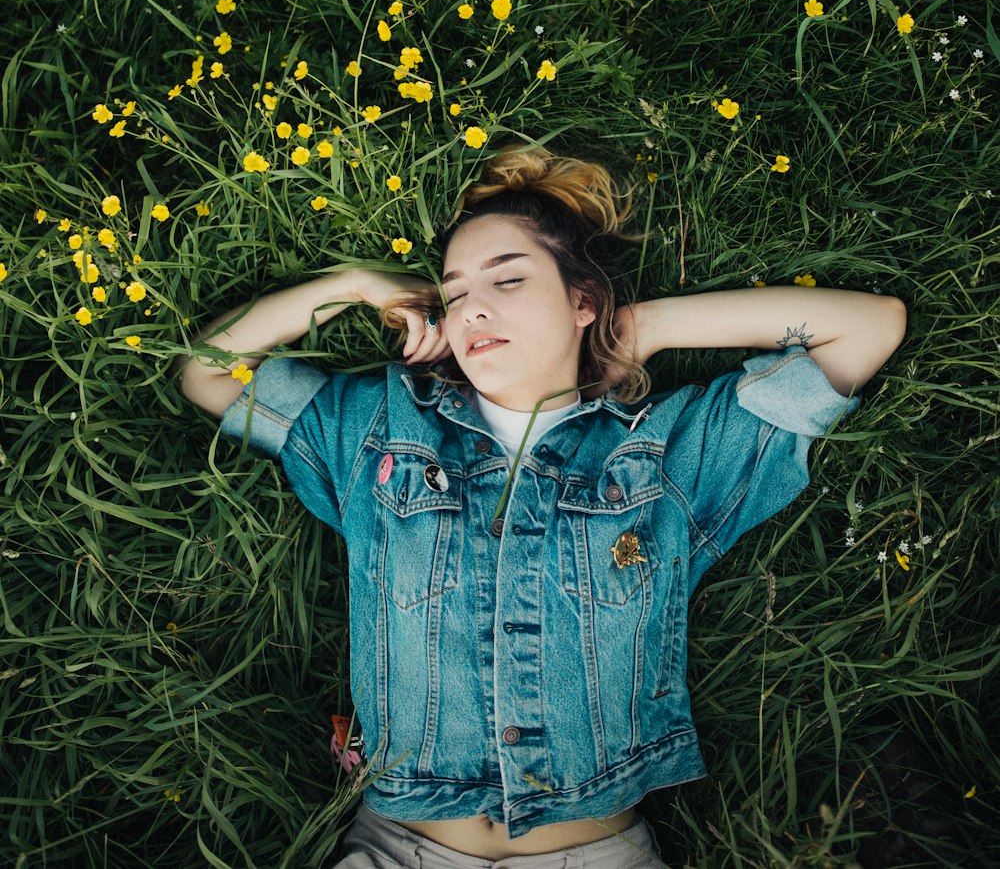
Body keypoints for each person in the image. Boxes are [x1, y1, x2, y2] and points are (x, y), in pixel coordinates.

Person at [177, 143, 907, 868]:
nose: (474, 308)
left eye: (509, 279)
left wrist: (643, 329)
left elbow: (871, 326)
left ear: (582, 300)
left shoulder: (666, 452)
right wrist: (361, 284)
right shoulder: (378, 429)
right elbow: (205, 372)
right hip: (403, 847)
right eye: (455, 291)